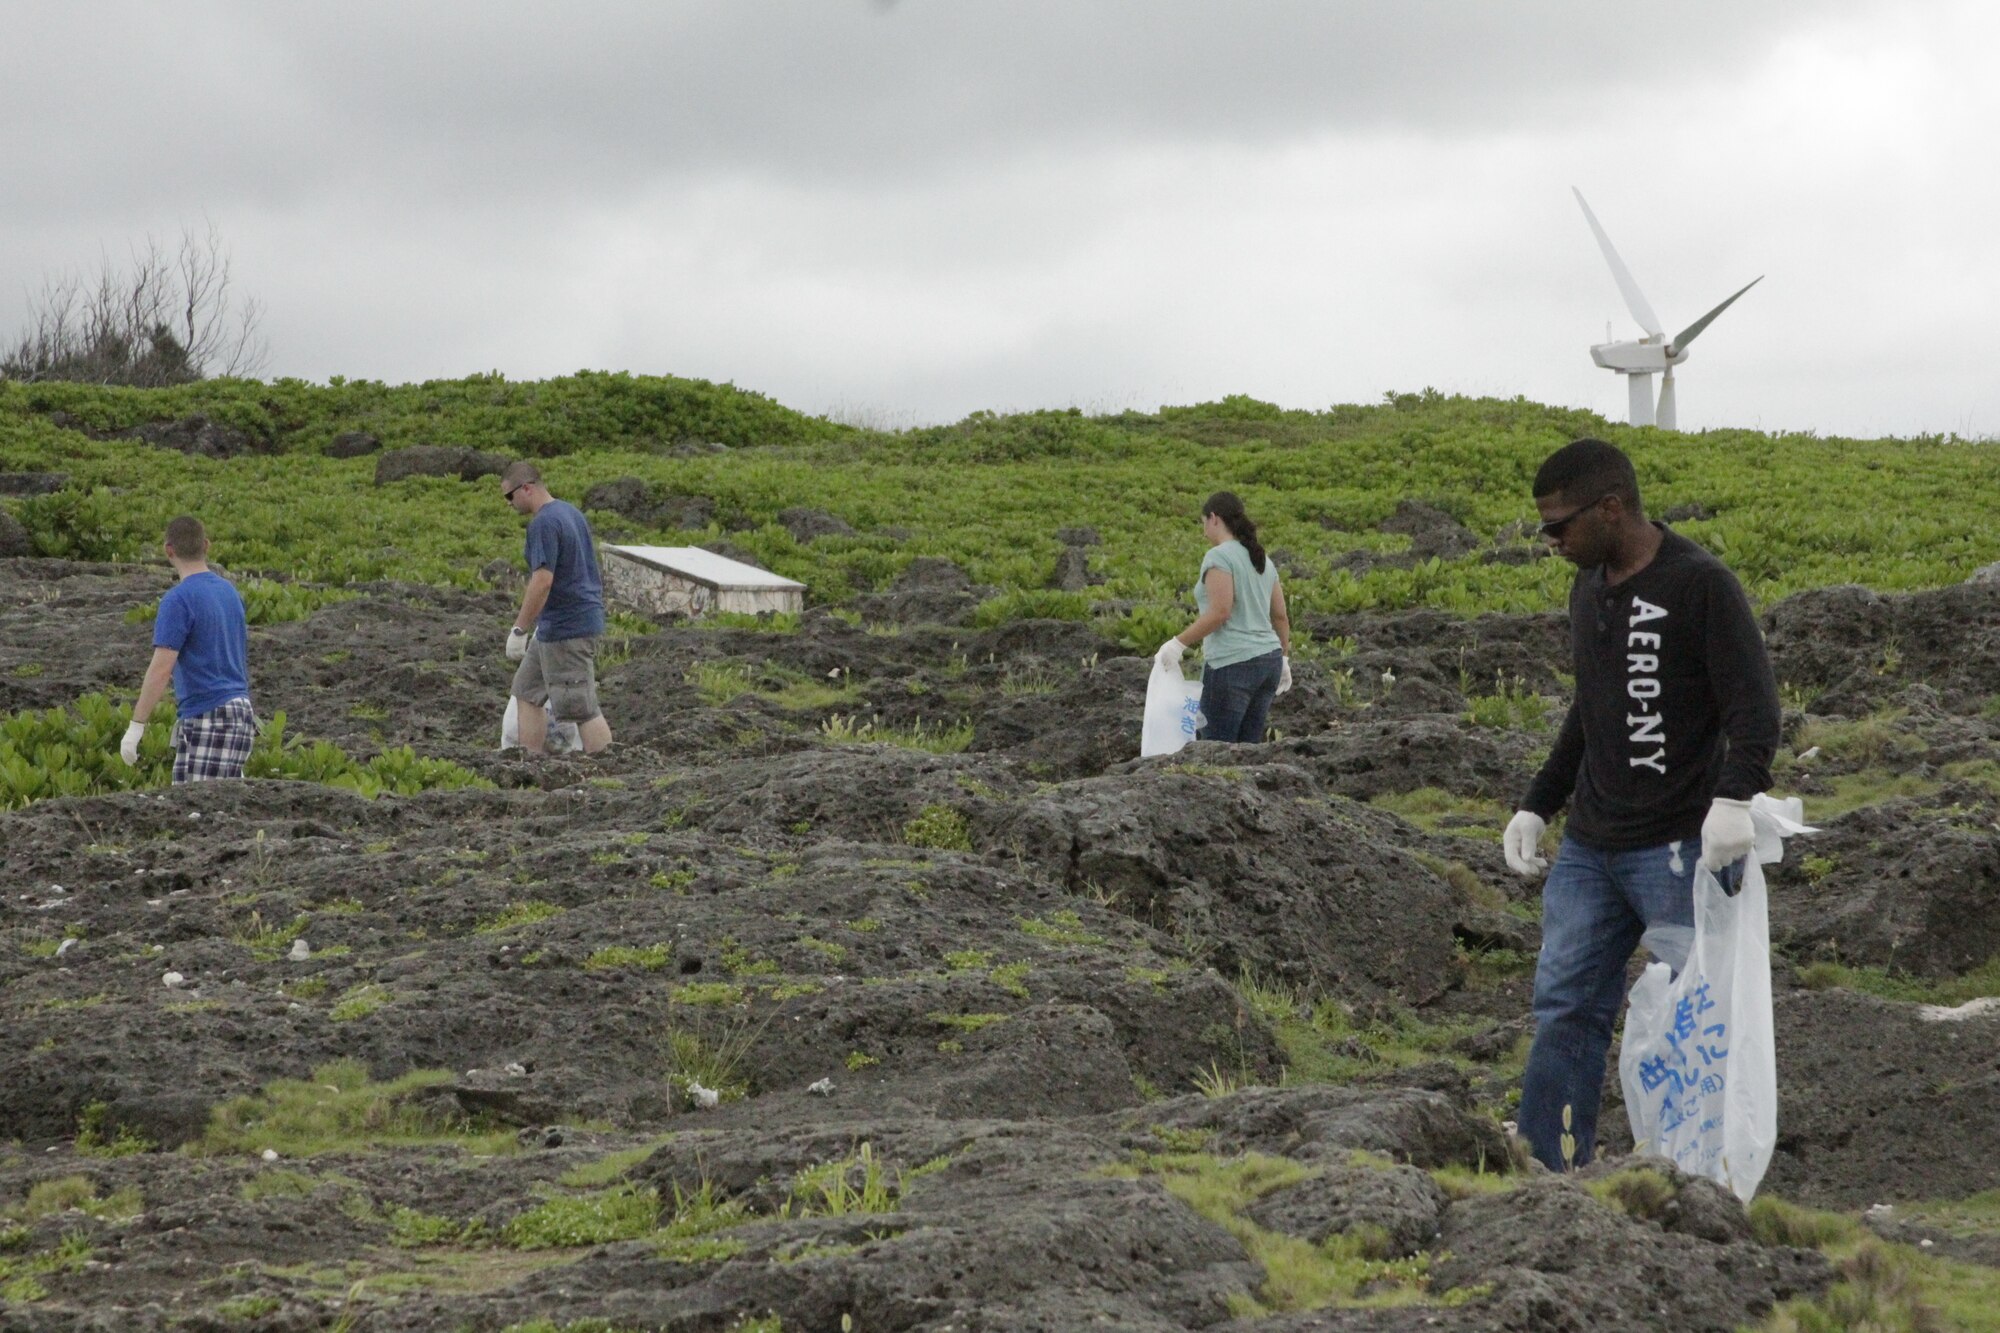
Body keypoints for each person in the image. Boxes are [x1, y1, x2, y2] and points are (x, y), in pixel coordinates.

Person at [1501, 438, 1779, 1172]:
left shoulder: (1701, 585)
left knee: (1702, 1015)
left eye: (1559, 524)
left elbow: (1755, 708)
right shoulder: (1586, 587)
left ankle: (1707, 1172)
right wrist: (1538, 803)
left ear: (1612, 507)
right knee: (1566, 1006)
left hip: (1680, 851)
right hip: (1591, 848)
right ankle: (1546, 1167)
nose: (1551, 540)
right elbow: (1589, 710)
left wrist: (1732, 798)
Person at [119, 516, 256, 782]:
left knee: (198, 815)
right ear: (206, 545)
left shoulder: (178, 599)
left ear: (168, 550)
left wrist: (136, 726)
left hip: (209, 714)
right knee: (212, 812)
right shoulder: (230, 592)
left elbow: (161, 668)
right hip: (240, 713)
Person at [1154, 491, 1292, 743]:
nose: (1204, 529)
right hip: (1269, 663)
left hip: (1233, 664)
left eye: (1203, 521)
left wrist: (1177, 644)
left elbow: (1220, 612)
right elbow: (1280, 616)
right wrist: (1283, 658)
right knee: (1249, 750)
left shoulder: (1219, 556)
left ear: (1214, 518)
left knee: (1217, 749)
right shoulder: (1262, 559)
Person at [500, 461, 613, 755]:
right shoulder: (569, 512)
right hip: (554, 628)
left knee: (580, 706)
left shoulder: (544, 523)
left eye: (509, 497)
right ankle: (531, 764)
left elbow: (542, 581)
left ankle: (610, 772)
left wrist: (519, 628)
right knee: (526, 691)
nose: (508, 505)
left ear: (526, 488)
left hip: (568, 628)